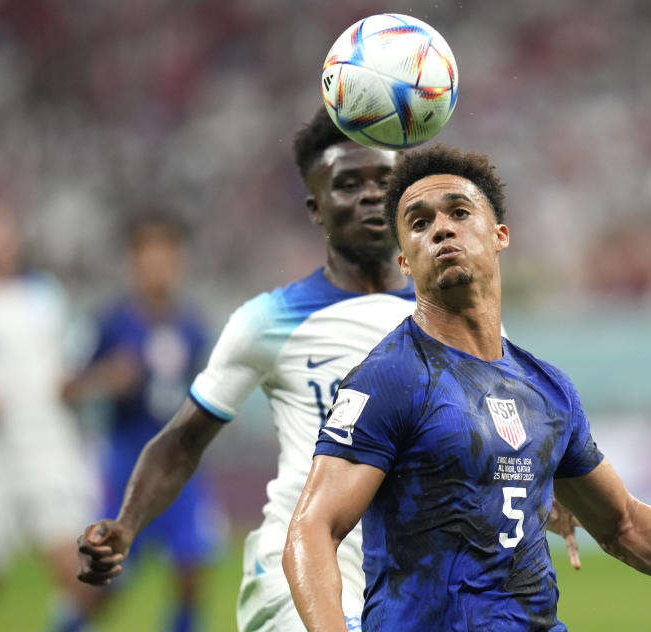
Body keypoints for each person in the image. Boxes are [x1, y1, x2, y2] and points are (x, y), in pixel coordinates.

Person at [282, 146, 651, 631]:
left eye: (459, 213)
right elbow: (313, 530)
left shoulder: (546, 389)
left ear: (500, 235)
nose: (441, 229)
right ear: (403, 260)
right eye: (419, 223)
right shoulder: (390, 378)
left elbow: (624, 525)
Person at [75, 110, 416, 631]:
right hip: (298, 565)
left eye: (384, 182)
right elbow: (184, 439)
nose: (371, 195)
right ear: (315, 208)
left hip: (410, 569)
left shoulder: (451, 315)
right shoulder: (268, 320)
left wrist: (545, 490)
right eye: (348, 183)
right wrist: (126, 524)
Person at [63, 211, 224, 632]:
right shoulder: (108, 321)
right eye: (150, 257)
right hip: (126, 466)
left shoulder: (192, 325)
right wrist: (106, 377)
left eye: (168, 256)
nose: (160, 266)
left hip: (179, 466)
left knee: (192, 573)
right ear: (134, 263)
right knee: (106, 585)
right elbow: (66, 387)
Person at [0, 200, 99, 631]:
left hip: (43, 449)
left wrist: (76, 383)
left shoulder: (44, 296)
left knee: (80, 573)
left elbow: (67, 367)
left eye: (2, 232)